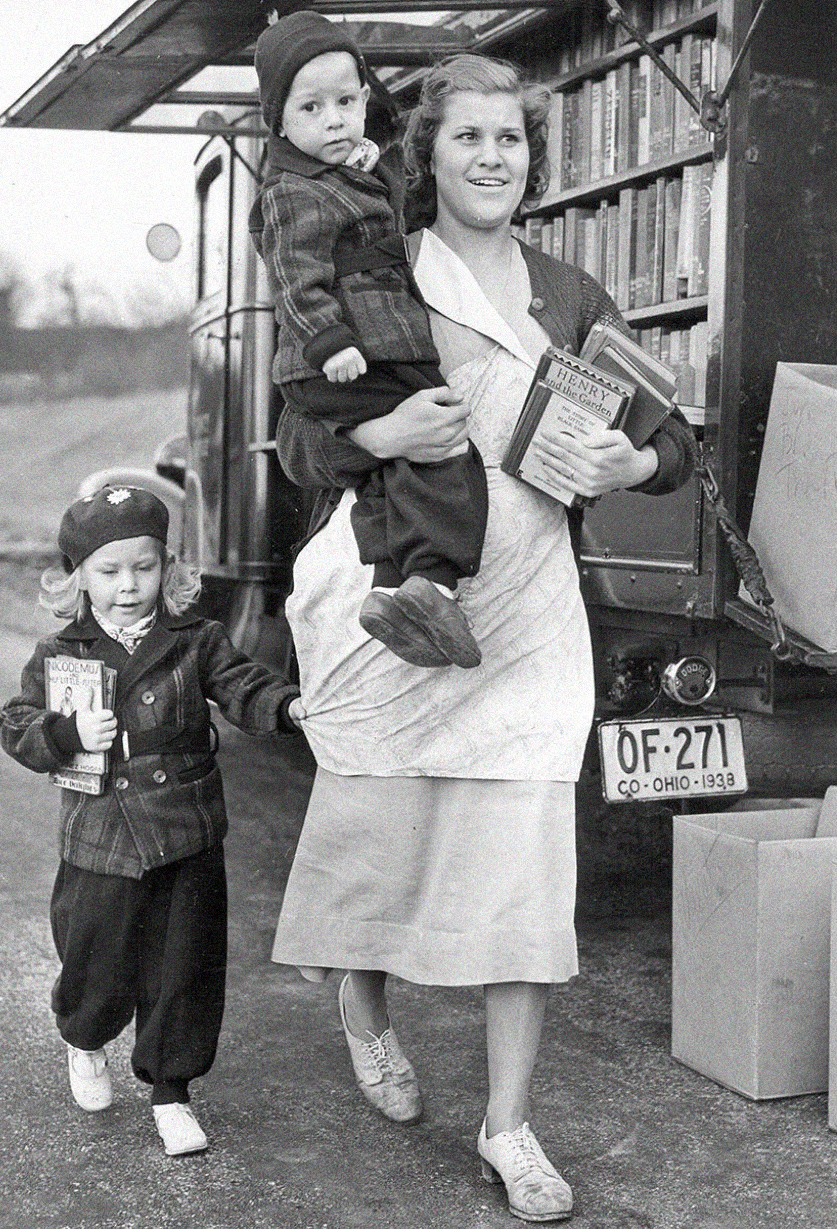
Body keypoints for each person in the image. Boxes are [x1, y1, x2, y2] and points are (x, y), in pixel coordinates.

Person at [272, 55, 695, 1223]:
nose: (493, 157)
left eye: (511, 139)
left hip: (527, 609)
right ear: (430, 155)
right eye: (469, 138)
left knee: (523, 877)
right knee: (376, 838)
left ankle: (509, 1123)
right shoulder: (376, 271)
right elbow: (305, 446)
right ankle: (362, 1004)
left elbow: (679, 448)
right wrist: (386, 430)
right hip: (395, 598)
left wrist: (634, 459)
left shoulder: (572, 296)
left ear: (532, 160)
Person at [0, 485, 302, 1158]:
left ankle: (171, 1090)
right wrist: (66, 729)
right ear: (77, 578)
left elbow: (244, 684)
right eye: (109, 571)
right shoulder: (59, 651)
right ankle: (85, 1034)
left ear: (169, 567)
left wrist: (287, 707)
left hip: (185, 832)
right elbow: (15, 724)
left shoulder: (196, 639)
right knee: (95, 962)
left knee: (183, 964)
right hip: (100, 837)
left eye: (145, 566)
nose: (129, 585)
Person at [249, 10, 487, 670]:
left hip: (364, 348)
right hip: (357, 352)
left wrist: (364, 168)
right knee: (446, 453)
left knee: (402, 469)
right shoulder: (291, 190)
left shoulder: (339, 175)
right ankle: (430, 587)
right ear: (280, 122)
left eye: (348, 102)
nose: (335, 120)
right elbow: (296, 275)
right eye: (313, 107)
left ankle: (393, 591)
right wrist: (330, 342)